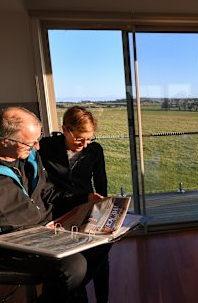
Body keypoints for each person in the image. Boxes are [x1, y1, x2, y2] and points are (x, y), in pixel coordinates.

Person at [0, 106, 109, 303]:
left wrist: (84, 199)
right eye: (30, 143)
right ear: (5, 141)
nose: (37, 147)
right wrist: (29, 244)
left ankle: (70, 294)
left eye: (38, 139)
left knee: (101, 244)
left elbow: (49, 194)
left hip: (47, 233)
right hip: (13, 248)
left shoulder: (29, 159)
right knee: (73, 266)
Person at [38, 106, 111, 302]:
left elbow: (101, 182)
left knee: (101, 251)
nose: (85, 144)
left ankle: (97, 297)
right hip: (58, 209)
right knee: (73, 256)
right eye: (80, 138)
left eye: (89, 139)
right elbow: (13, 141)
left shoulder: (94, 151)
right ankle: (75, 292)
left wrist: (104, 206)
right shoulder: (46, 146)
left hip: (87, 207)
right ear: (65, 129)